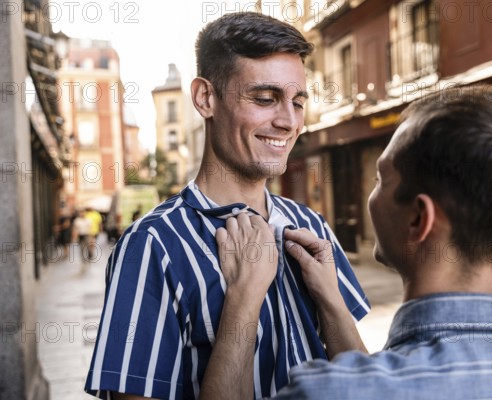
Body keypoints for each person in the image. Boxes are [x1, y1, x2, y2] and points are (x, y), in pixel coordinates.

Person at [205, 82, 492, 399]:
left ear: (418, 218)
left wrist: (244, 297)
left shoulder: (332, 392)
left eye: (381, 178)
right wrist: (333, 302)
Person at [84, 12, 370, 400]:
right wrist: (243, 301)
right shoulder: (151, 246)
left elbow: (363, 387)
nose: (288, 121)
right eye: (265, 98)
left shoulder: (312, 226)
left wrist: (331, 303)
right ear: (206, 98)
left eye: (298, 102)